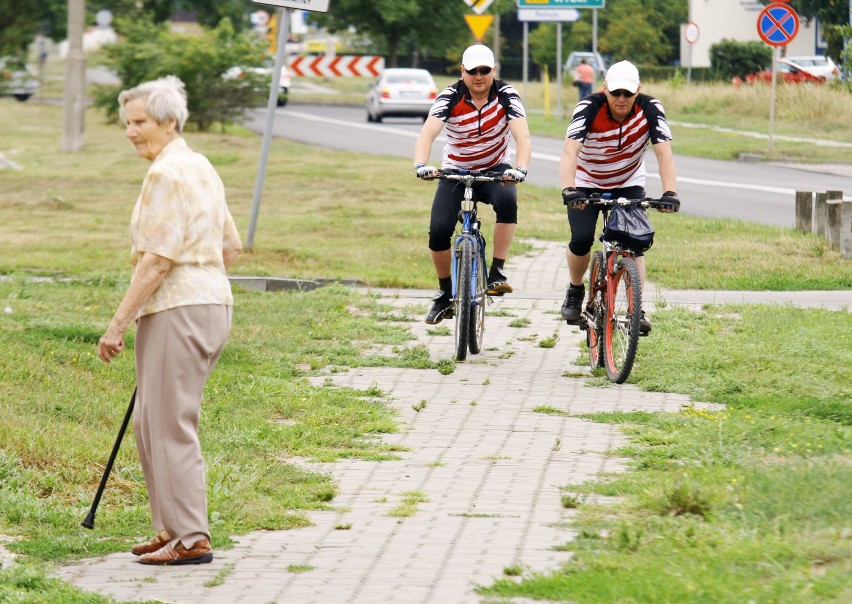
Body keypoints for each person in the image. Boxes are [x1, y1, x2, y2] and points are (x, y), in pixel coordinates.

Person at [97, 75, 242, 566]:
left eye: (139, 122)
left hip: (178, 309)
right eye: (127, 123)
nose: (131, 131)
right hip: (209, 304)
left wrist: (118, 323)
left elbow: (156, 260)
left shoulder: (166, 173)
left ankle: (191, 538)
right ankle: (169, 527)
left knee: (169, 425)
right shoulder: (200, 165)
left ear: (168, 121)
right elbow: (232, 247)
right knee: (150, 422)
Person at [413, 44, 532, 325]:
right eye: (472, 71)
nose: (479, 76)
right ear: (462, 71)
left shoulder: (507, 95)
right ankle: (444, 295)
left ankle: (497, 272)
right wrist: (421, 165)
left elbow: (523, 137)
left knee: (507, 201)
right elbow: (427, 134)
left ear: (493, 71)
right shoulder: (450, 96)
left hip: (495, 168)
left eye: (485, 70)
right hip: (455, 171)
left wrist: (520, 169)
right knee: (439, 230)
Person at [559, 60, 680, 335]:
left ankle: (636, 309)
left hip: (628, 182)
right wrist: (569, 188)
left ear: (638, 91)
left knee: (634, 243)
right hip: (586, 182)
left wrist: (670, 192)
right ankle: (576, 289)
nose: (621, 99)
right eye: (616, 93)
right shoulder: (589, 107)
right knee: (581, 239)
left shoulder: (650, 108)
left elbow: (664, 153)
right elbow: (569, 151)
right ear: (605, 90)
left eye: (628, 93)